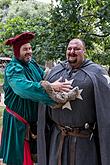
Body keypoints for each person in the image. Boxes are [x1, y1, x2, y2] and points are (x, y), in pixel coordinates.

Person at [0, 32, 79, 165]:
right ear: (17, 51)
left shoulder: (32, 64)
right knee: (18, 160)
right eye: (25, 49)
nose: (29, 52)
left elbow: (44, 75)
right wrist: (50, 87)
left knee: (35, 158)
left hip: (34, 123)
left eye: (30, 48)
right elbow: (23, 88)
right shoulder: (13, 69)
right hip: (17, 124)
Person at [37, 38, 110, 165]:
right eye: (69, 48)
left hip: (84, 143)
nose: (72, 51)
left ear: (84, 51)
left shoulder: (97, 73)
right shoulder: (56, 71)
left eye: (76, 49)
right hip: (57, 139)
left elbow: (105, 109)